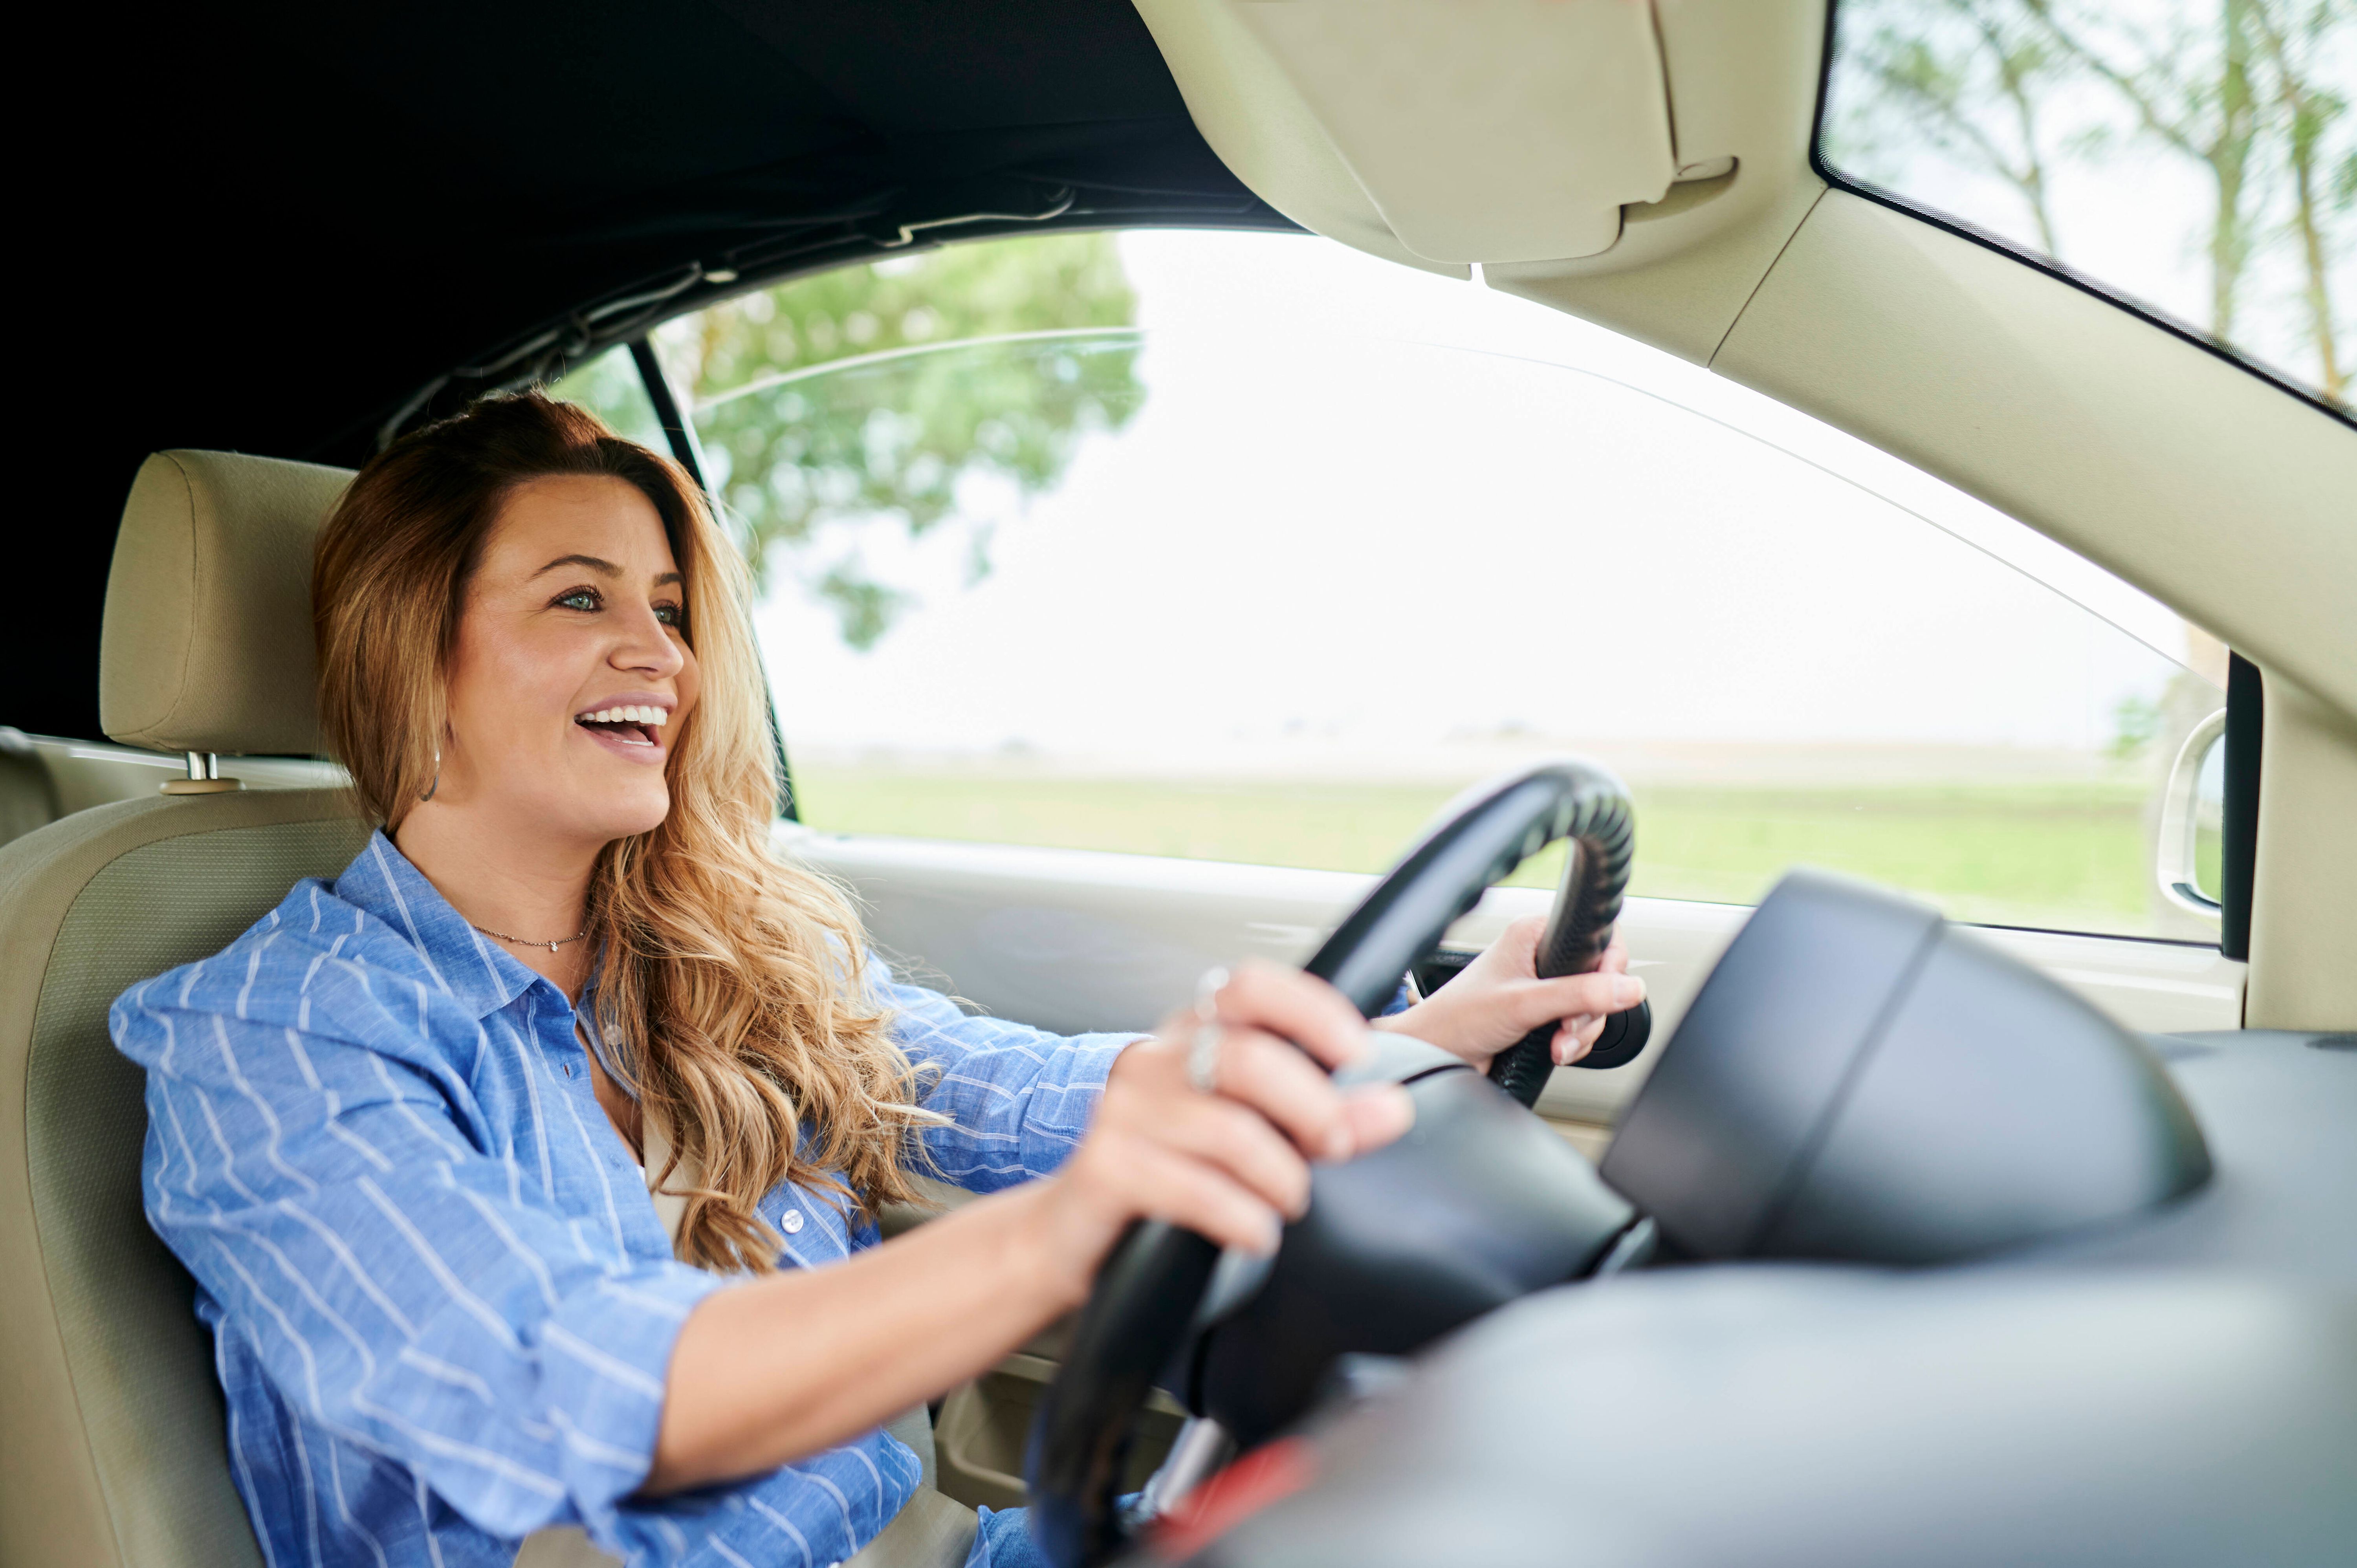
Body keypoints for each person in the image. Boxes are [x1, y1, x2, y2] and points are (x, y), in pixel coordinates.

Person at [110, 392, 1643, 1568]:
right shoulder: (276, 1035)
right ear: (409, 653)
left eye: (672, 607)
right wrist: (1060, 1238)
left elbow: (1008, 1085)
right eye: (581, 598)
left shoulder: (711, 942)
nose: (660, 653)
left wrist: (1411, 1041)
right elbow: (556, 1385)